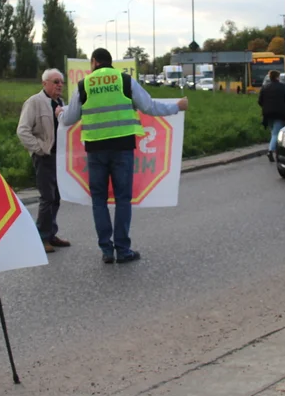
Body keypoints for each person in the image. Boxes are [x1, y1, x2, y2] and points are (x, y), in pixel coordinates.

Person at [59, 48, 187, 264]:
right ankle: (123, 249)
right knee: (122, 199)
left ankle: (106, 251)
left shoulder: (85, 84)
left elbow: (69, 118)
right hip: (122, 149)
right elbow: (149, 106)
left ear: (94, 63)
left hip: (96, 150)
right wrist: (177, 107)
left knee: (99, 200)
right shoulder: (125, 81)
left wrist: (60, 113)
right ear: (110, 63)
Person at [16, 68, 69, 254]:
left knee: (56, 197)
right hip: (44, 157)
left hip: (59, 157)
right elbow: (22, 130)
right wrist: (39, 149)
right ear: (44, 83)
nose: (59, 85)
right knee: (47, 197)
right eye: (55, 82)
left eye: (61, 81)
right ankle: (41, 237)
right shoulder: (35, 102)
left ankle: (51, 233)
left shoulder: (61, 103)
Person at [258, 70, 285, 163]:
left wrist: (266, 107)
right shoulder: (282, 87)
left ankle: (276, 151)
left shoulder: (265, 87)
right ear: (277, 77)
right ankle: (270, 151)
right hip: (279, 113)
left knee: (273, 132)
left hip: (267, 114)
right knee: (276, 133)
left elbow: (260, 101)